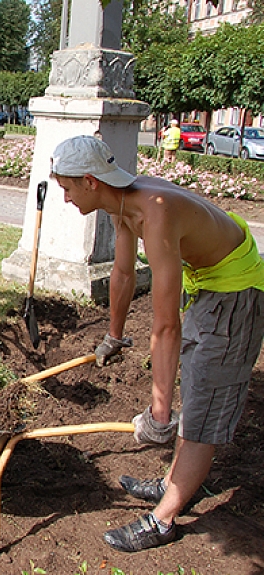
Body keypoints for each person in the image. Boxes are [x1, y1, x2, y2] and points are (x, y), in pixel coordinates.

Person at [50, 135, 264, 552]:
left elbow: (165, 326)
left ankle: (163, 519)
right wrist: (114, 334)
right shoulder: (123, 205)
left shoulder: (155, 212)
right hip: (212, 288)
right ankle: (173, 480)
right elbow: (124, 275)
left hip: (237, 296)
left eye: (67, 188)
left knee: (204, 406)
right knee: (198, 388)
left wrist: (159, 412)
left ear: (91, 181)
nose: (65, 198)